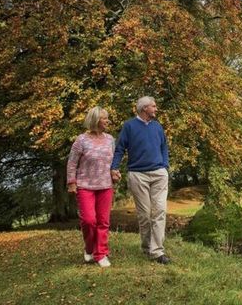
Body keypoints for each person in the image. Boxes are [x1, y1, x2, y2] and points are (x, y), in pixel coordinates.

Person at [110, 96, 171, 264]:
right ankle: (146, 247)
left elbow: (164, 146)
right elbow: (120, 149)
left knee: (159, 211)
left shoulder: (158, 126)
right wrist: (114, 168)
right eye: (153, 106)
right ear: (145, 109)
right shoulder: (129, 126)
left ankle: (157, 251)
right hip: (138, 175)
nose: (156, 109)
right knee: (144, 215)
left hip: (159, 173)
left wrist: (165, 166)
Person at [67, 106, 117, 268]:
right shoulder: (81, 140)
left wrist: (115, 173)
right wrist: (71, 182)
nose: (107, 121)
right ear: (95, 120)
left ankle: (101, 253)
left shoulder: (110, 139)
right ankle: (89, 248)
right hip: (85, 186)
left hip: (105, 185)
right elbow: (72, 162)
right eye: (104, 118)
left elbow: (113, 162)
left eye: (107, 118)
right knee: (89, 221)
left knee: (103, 221)